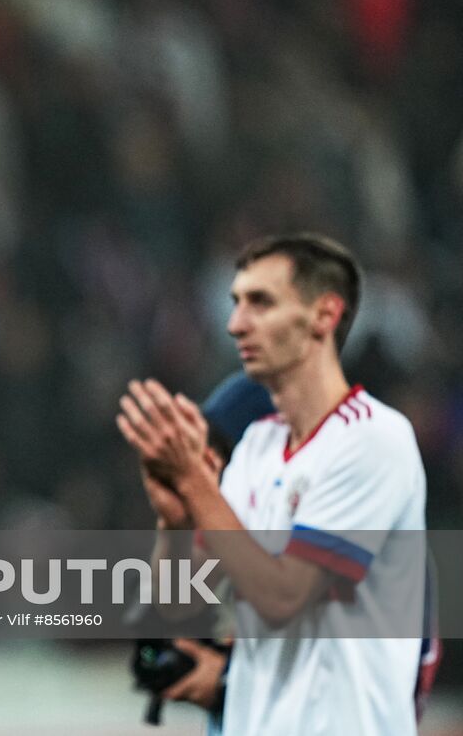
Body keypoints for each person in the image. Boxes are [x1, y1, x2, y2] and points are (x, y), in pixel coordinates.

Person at [117, 233, 426, 735]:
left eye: (260, 303)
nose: (236, 324)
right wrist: (172, 521)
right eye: (236, 302)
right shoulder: (258, 447)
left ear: (325, 315)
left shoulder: (375, 440)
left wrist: (196, 483)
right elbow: (180, 607)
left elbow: (284, 598)